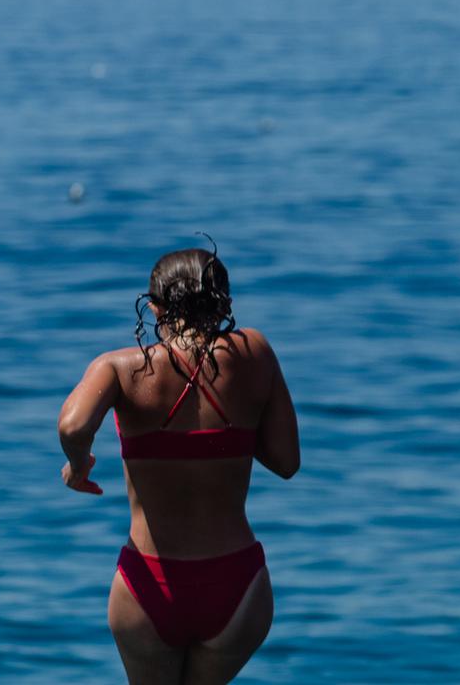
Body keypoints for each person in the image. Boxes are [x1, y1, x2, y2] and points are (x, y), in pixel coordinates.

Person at [58, 245, 300, 682]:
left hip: (149, 586)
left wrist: (78, 466)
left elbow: (73, 426)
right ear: (222, 300)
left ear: (154, 307)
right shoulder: (256, 353)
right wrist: (233, 429)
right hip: (237, 584)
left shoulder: (120, 369)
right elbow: (286, 462)